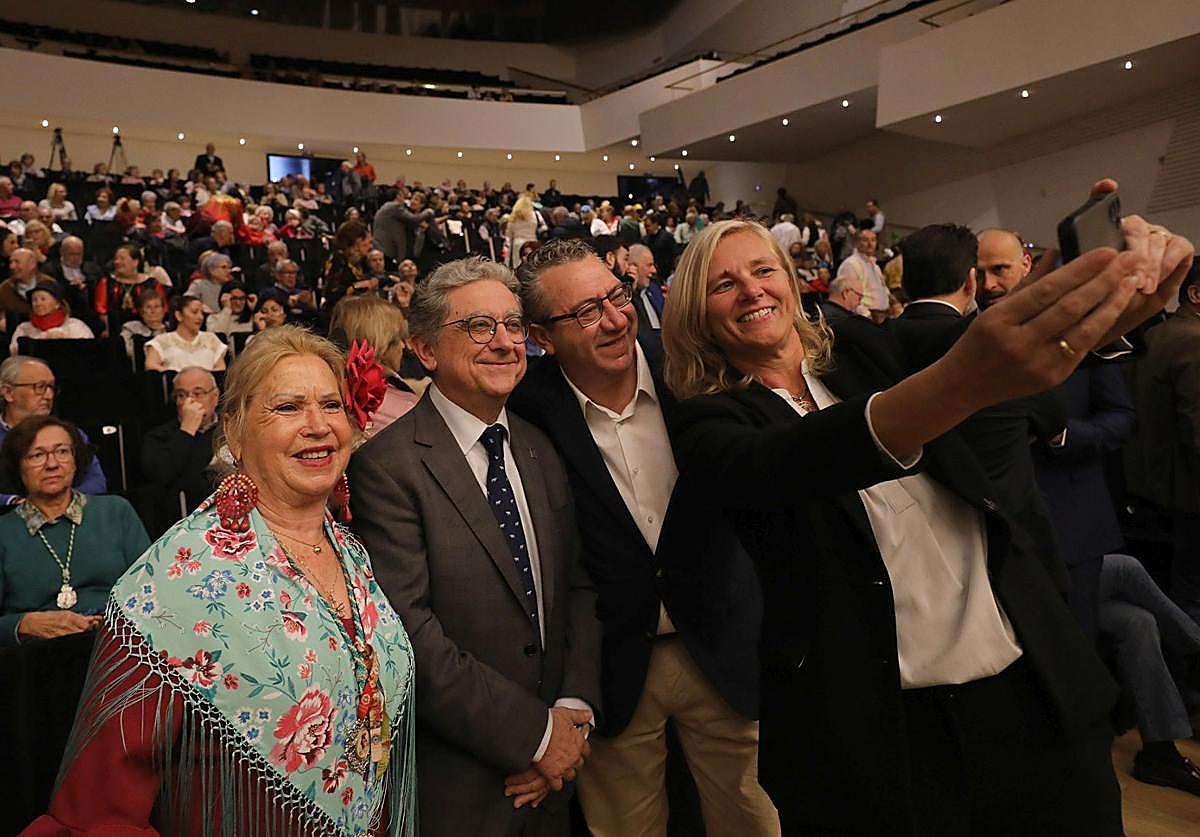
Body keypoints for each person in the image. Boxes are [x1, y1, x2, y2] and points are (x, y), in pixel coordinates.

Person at [658, 210, 1193, 836]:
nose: (752, 290)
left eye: (763, 270)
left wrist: (1095, 309)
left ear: (791, 281)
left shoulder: (861, 348)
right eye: (724, 284)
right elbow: (792, 461)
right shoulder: (708, 425)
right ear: (696, 315)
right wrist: (956, 386)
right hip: (882, 737)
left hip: (1030, 689)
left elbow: (961, 342)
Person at [26, 326, 418, 836]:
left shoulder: (350, 550)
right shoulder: (177, 578)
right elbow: (103, 805)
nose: (319, 425)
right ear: (233, 430)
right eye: (288, 407)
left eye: (331, 405)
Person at [510, 239, 779, 836]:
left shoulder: (695, 367)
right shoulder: (526, 408)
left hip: (726, 643)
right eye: (586, 312)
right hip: (612, 666)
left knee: (757, 820)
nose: (614, 320)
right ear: (542, 336)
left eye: (617, 296)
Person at [348, 257, 602, 837]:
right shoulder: (386, 468)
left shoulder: (539, 447)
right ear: (425, 349)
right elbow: (411, 634)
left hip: (558, 776)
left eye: (513, 325)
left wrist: (572, 710)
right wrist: (535, 737)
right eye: (480, 327)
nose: (506, 343)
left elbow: (579, 586)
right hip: (463, 784)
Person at [0, 416, 147, 646]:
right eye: (37, 455)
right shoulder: (5, 531)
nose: (52, 464)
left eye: (62, 452)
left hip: (117, 643)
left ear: (76, 461)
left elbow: (151, 591)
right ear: (18, 466)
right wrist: (23, 624)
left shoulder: (116, 511)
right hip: (35, 654)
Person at [1125, 263, 1200, 627]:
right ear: (1196, 294)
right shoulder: (1195, 340)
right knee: (1192, 591)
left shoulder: (1157, 333)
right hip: (1190, 486)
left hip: (1158, 484)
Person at [139, 367, 220, 537]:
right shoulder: (159, 436)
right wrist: (187, 430)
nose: (190, 401)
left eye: (198, 393)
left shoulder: (231, 429)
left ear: (215, 396)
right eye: (181, 395)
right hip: (182, 524)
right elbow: (161, 476)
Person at [328, 295, 419, 437]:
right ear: (382, 344)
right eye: (397, 339)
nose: (403, 346)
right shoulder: (407, 410)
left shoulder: (327, 393)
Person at [94, 243, 169, 338]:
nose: (117, 262)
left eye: (122, 258)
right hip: (115, 330)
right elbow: (101, 311)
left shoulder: (152, 283)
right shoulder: (106, 282)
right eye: (115, 259)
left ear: (135, 262)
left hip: (148, 329)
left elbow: (163, 308)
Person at [8, 280, 94, 355]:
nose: (38, 304)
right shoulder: (24, 328)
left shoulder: (76, 326)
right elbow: (14, 353)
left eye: (43, 299)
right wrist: (43, 339)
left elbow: (89, 350)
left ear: (57, 304)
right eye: (34, 300)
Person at [145, 297, 228, 373]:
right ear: (179, 315)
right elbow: (151, 365)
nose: (200, 317)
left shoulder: (211, 338)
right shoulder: (162, 340)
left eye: (202, 313)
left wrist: (202, 376)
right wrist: (179, 376)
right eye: (194, 312)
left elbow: (221, 367)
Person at [321, 220, 375, 322]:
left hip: (358, 313)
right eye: (367, 243)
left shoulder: (362, 261)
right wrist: (356, 286)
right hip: (339, 315)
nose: (370, 246)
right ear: (357, 242)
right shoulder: (337, 260)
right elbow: (331, 293)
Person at [836, 229, 889, 322]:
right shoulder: (851, 264)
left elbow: (883, 289)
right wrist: (867, 316)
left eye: (873, 240)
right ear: (857, 243)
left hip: (884, 315)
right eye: (865, 240)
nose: (870, 244)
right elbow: (849, 297)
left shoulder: (874, 266)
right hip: (867, 317)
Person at [119, 288, 169, 360]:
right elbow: (126, 351)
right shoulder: (131, 328)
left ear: (163, 310)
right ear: (141, 311)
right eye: (148, 307)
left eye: (157, 306)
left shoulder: (171, 328)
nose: (153, 311)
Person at [506, 195, 539, 268]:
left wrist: (506, 259)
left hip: (518, 243)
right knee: (534, 266)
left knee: (518, 265)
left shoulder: (513, 216)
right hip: (533, 243)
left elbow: (508, 235)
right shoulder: (535, 215)